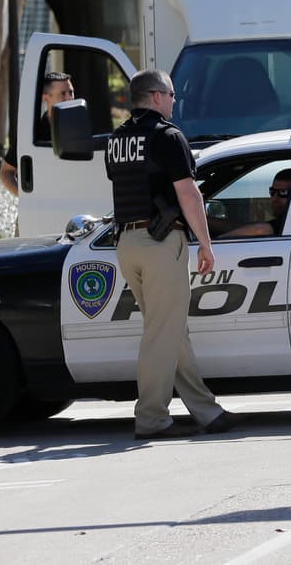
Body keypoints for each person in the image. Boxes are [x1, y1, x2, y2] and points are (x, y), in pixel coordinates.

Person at [105, 69, 242, 439]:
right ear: (154, 96)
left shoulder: (117, 139)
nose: (174, 100)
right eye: (171, 94)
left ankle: (206, 411)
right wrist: (206, 243)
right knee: (161, 333)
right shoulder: (167, 135)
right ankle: (151, 418)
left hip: (128, 245)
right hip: (159, 243)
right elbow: (188, 193)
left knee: (171, 331)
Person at [0, 71, 75, 196]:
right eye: (63, 94)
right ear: (46, 98)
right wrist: (26, 198)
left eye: (71, 92)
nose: (70, 98)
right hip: (42, 209)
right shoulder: (33, 133)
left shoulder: (82, 126)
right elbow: (6, 172)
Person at [221, 167, 291, 238]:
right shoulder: (290, 222)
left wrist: (211, 246)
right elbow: (245, 227)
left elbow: (261, 230)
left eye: (283, 192)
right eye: (272, 191)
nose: (274, 198)